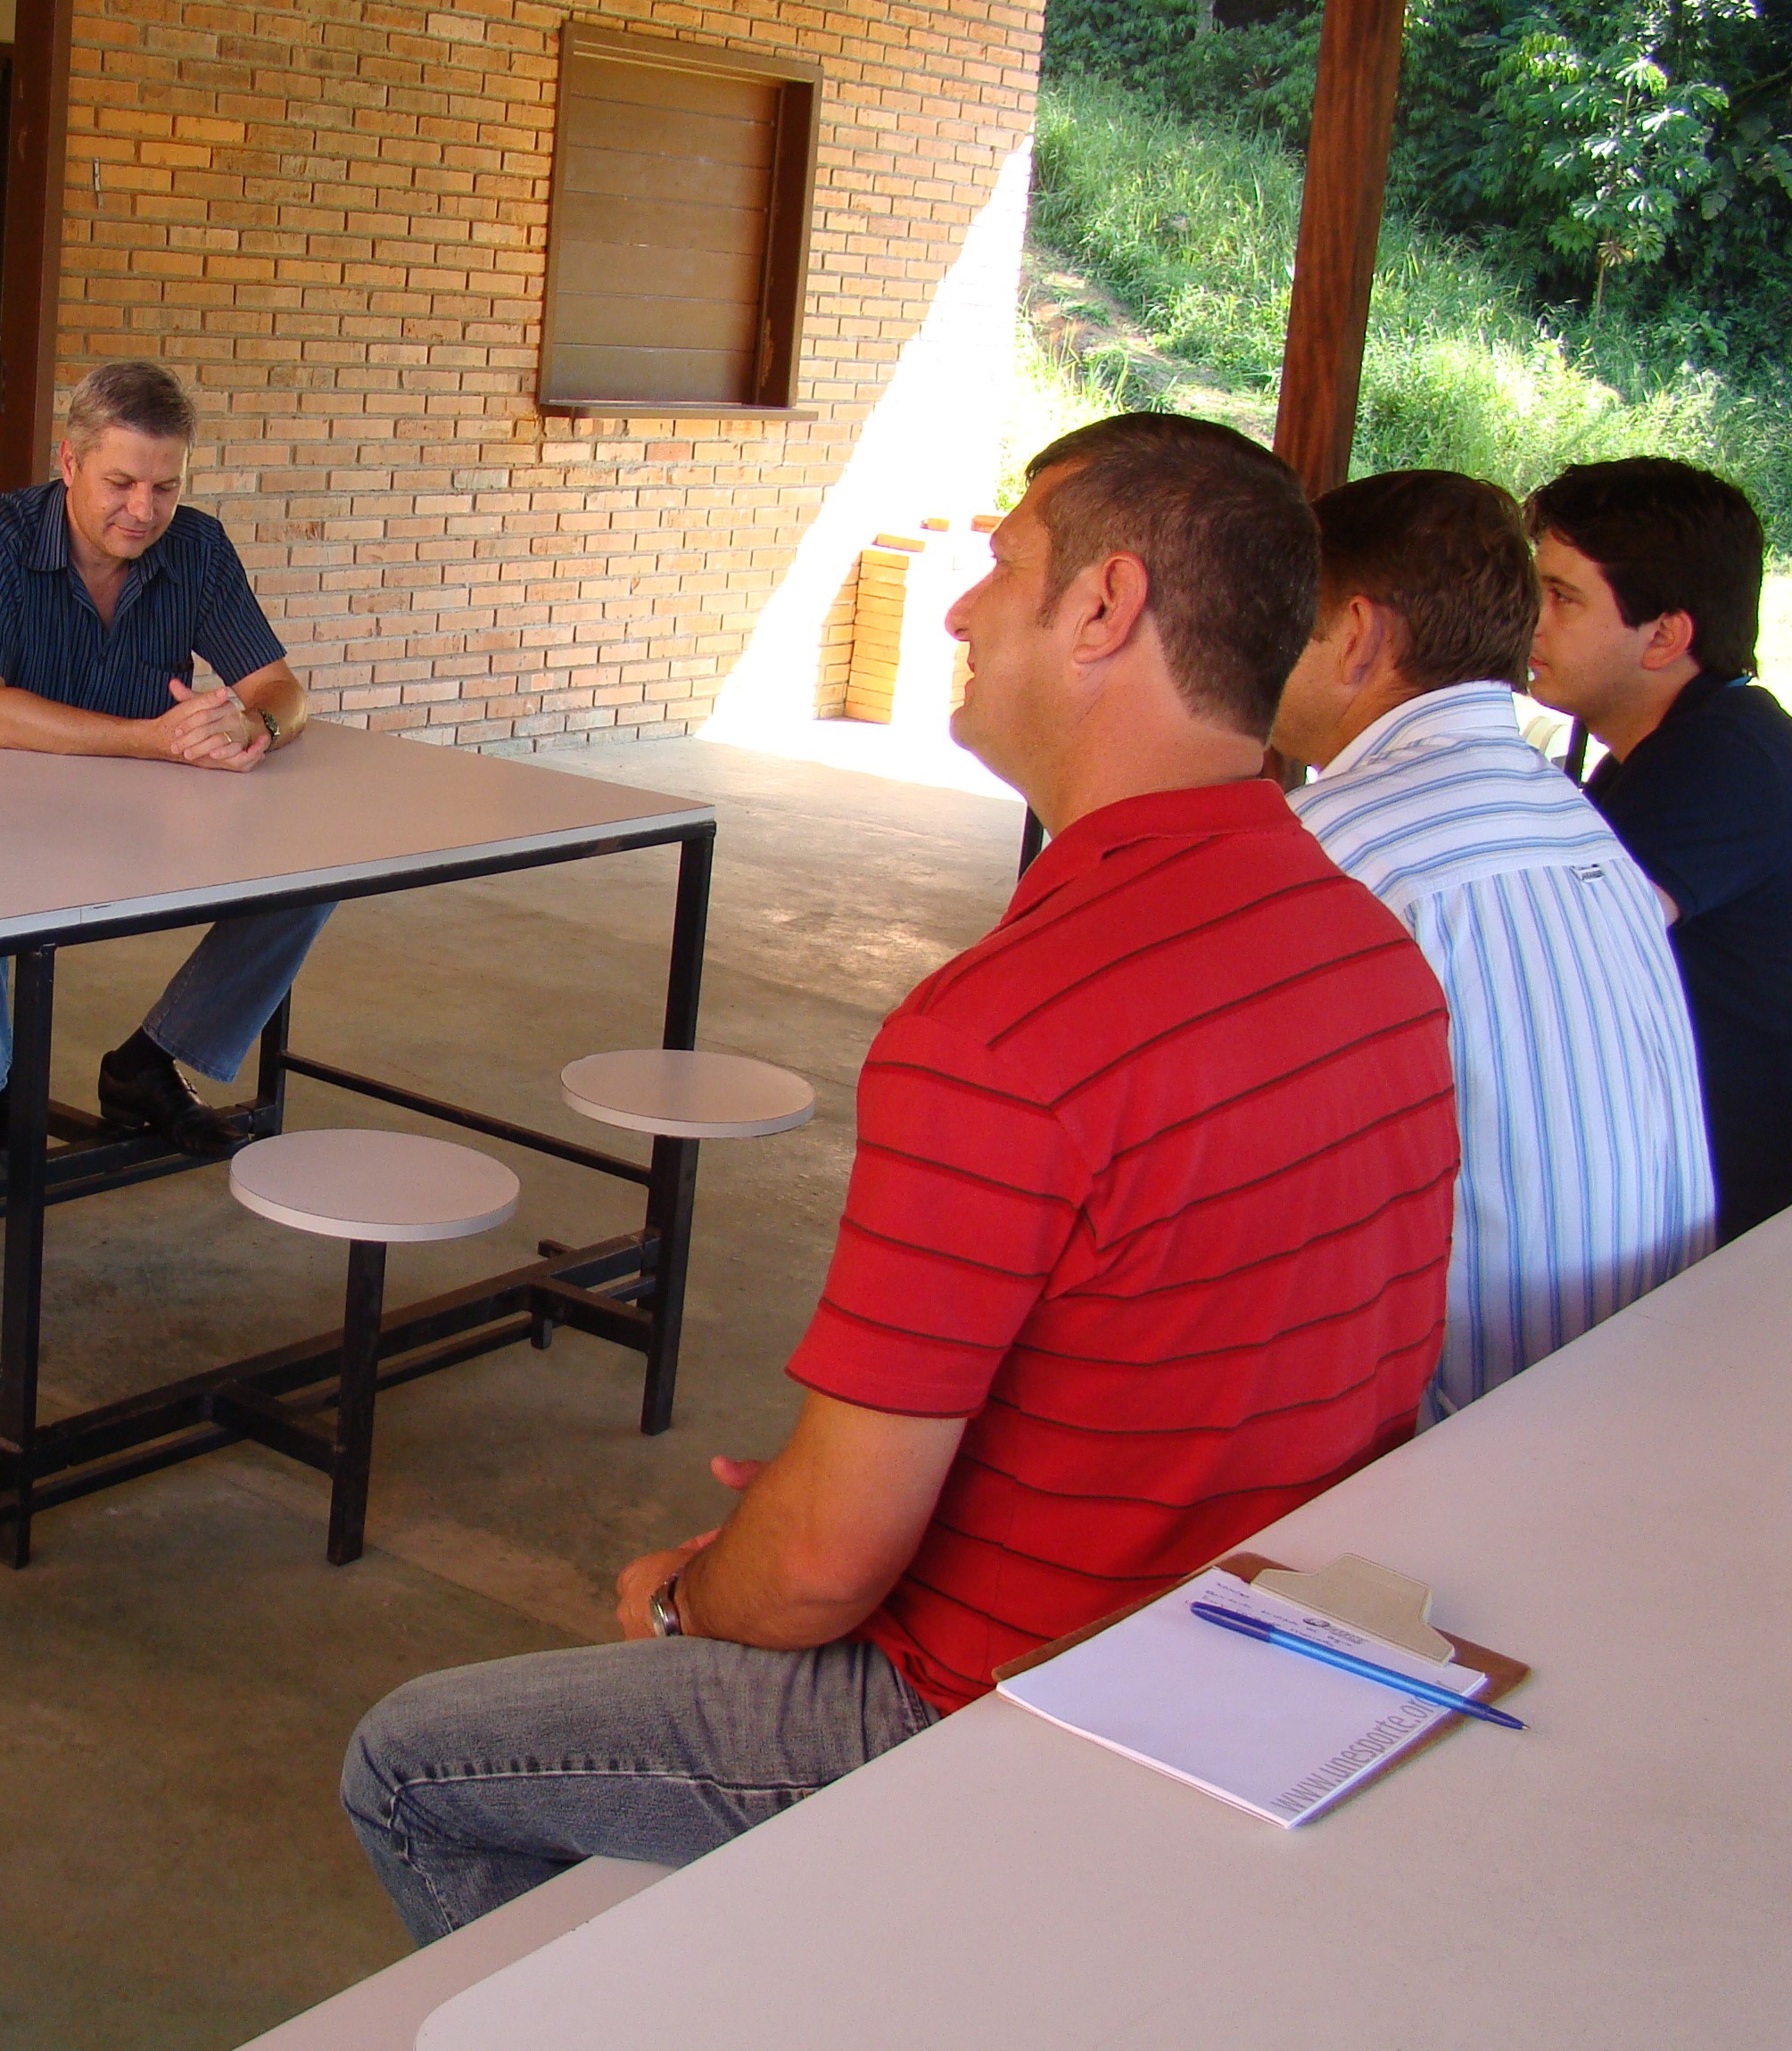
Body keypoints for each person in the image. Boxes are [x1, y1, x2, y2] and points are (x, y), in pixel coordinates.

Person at [341, 414, 1460, 1943]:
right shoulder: (1369, 945)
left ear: (1103, 606)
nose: (955, 607)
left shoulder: (1005, 1028)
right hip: (1254, 1649)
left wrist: (688, 1598)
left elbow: (812, 1577)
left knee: (408, 1762)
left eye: (1001, 564)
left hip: (1008, 1700)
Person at [1274, 470, 1714, 1422]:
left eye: (1286, 628)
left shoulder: (1330, 848)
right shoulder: (1581, 827)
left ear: (1356, 634)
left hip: (1452, 1434)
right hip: (1643, 1390)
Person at [0, 360, 321, 1179]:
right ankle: (1, 1093)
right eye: (121, 482)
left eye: (165, 487)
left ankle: (150, 1060)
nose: (144, 510)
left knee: (311, 876)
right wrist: (154, 739)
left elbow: (283, 689)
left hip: (134, 802)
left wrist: (250, 727)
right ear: (68, 463)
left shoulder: (196, 546)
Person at [1523, 458, 1789, 1245]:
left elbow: (1563, 957)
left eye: (1562, 597)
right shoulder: (1672, 745)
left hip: (1733, 1239)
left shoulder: (1724, 758)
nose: (1528, 619)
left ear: (1666, 635)